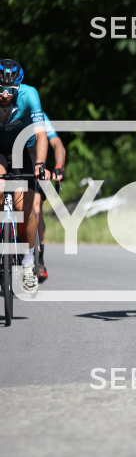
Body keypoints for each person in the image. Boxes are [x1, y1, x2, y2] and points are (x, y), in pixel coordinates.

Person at [0, 58, 50, 292]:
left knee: (26, 207)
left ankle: (29, 264)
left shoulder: (30, 95)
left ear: (18, 88)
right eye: (0, 88)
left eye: (10, 90)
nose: (4, 94)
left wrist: (40, 164)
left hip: (25, 147)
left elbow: (41, 135)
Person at [33, 113, 66, 282]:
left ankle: (39, 259)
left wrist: (59, 166)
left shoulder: (37, 114)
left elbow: (57, 144)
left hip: (33, 163)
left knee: (36, 209)